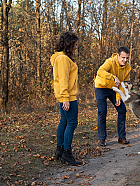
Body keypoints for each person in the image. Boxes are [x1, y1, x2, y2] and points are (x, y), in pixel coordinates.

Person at [50, 32, 82, 166]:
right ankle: (67, 154)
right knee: (72, 123)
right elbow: (63, 79)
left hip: (65, 96)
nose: (76, 47)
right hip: (68, 97)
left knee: (64, 121)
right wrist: (66, 98)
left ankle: (60, 150)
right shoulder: (63, 59)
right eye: (75, 44)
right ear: (69, 44)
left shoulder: (61, 58)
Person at [94, 46, 131, 146]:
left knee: (122, 110)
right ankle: (102, 139)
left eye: (127, 58)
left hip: (115, 89)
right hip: (101, 87)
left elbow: (123, 83)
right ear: (118, 55)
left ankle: (121, 137)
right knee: (102, 111)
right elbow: (100, 71)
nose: (125, 60)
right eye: (123, 57)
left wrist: (119, 97)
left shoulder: (128, 67)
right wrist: (113, 77)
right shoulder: (110, 62)